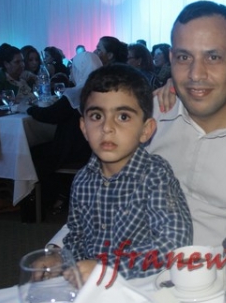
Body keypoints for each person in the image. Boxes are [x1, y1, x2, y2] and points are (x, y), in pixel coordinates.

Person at [48, 1, 226, 249]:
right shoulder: (146, 116)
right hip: (127, 266)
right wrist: (56, 251)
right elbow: (94, 196)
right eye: (184, 57)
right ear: (171, 59)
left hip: (222, 272)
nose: (196, 74)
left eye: (213, 57)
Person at [63, 63, 192, 283]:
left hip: (141, 287)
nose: (107, 128)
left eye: (123, 117)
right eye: (96, 116)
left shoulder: (154, 175)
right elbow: (75, 237)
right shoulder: (82, 180)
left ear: (146, 130)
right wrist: (61, 260)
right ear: (84, 127)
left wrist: (108, 269)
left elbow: (174, 243)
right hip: (91, 288)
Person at [15, 52, 102, 216]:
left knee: (30, 153)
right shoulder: (106, 89)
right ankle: (63, 194)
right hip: (97, 149)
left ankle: (42, 202)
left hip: (76, 151)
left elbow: (50, 116)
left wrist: (27, 109)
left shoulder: (78, 93)